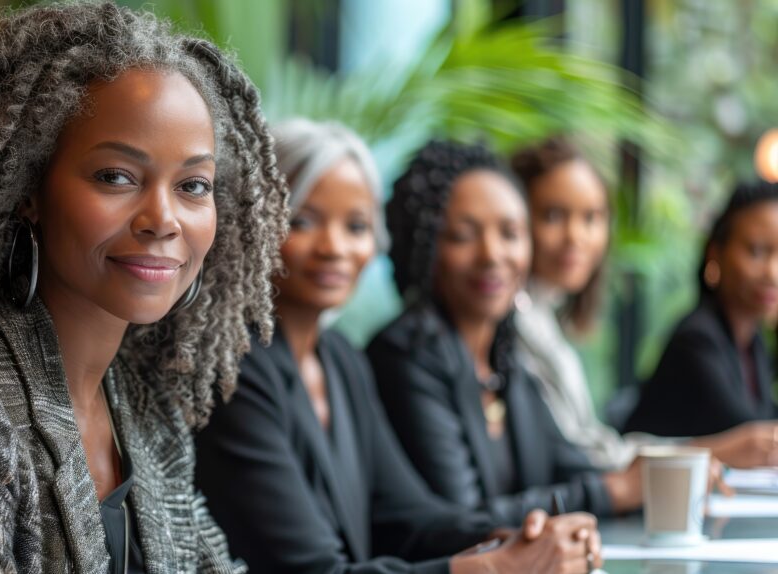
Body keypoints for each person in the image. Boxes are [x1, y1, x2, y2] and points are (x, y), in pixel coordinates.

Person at [0, 3, 289, 572]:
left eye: (193, 185)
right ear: (29, 190)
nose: (163, 218)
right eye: (115, 176)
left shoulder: (141, 401)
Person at [196, 120, 603, 574]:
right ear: (252, 224)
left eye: (356, 225)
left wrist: (519, 541)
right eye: (304, 221)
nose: (335, 247)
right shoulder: (234, 367)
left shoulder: (340, 360)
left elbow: (409, 517)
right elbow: (312, 571)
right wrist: (494, 568)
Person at [368, 140, 645, 527]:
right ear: (425, 245)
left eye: (510, 233)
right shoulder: (405, 354)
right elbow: (465, 521)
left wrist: (651, 474)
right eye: (463, 235)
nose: (493, 255)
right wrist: (610, 492)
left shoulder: (503, 352)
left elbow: (567, 464)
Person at [511, 137, 778, 471]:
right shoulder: (699, 339)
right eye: (553, 215)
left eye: (591, 218)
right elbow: (579, 458)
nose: (575, 236)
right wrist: (711, 453)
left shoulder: (543, 322)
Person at [625, 180, 778, 438]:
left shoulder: (753, 343)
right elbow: (751, 434)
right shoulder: (697, 340)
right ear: (715, 253)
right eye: (757, 251)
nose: (772, 273)